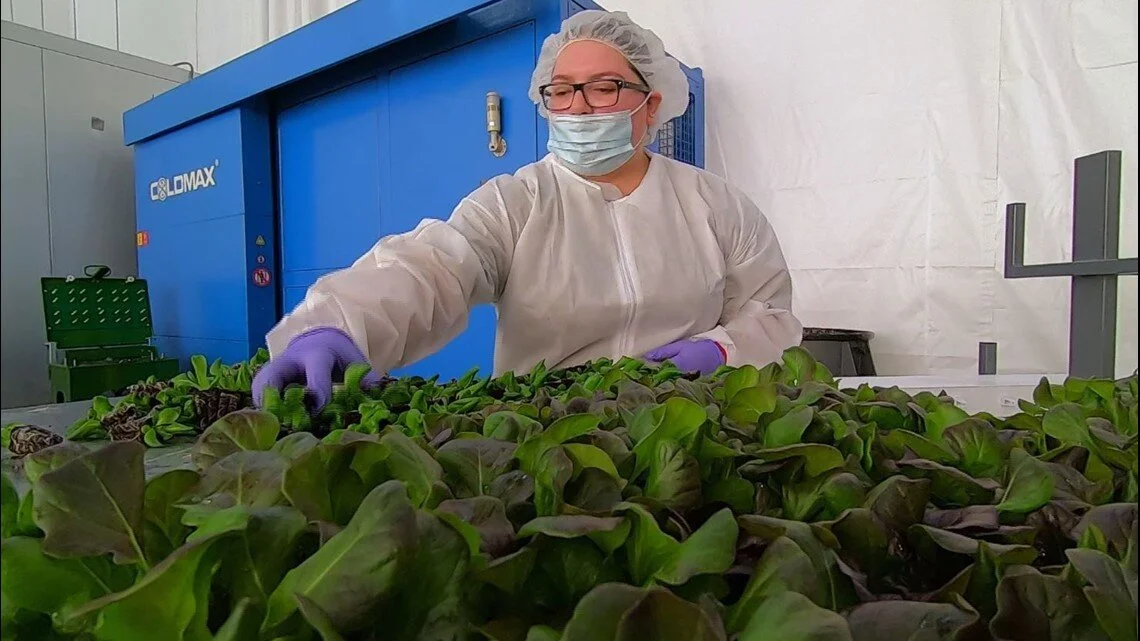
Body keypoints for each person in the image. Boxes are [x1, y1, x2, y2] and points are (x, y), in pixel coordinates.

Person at [252, 10, 803, 412]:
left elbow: (770, 314)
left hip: (688, 424)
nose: (578, 107)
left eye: (603, 88)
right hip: (547, 436)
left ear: (651, 103)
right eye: (561, 91)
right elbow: (433, 267)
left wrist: (722, 350)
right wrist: (338, 326)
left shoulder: (716, 205)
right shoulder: (515, 202)